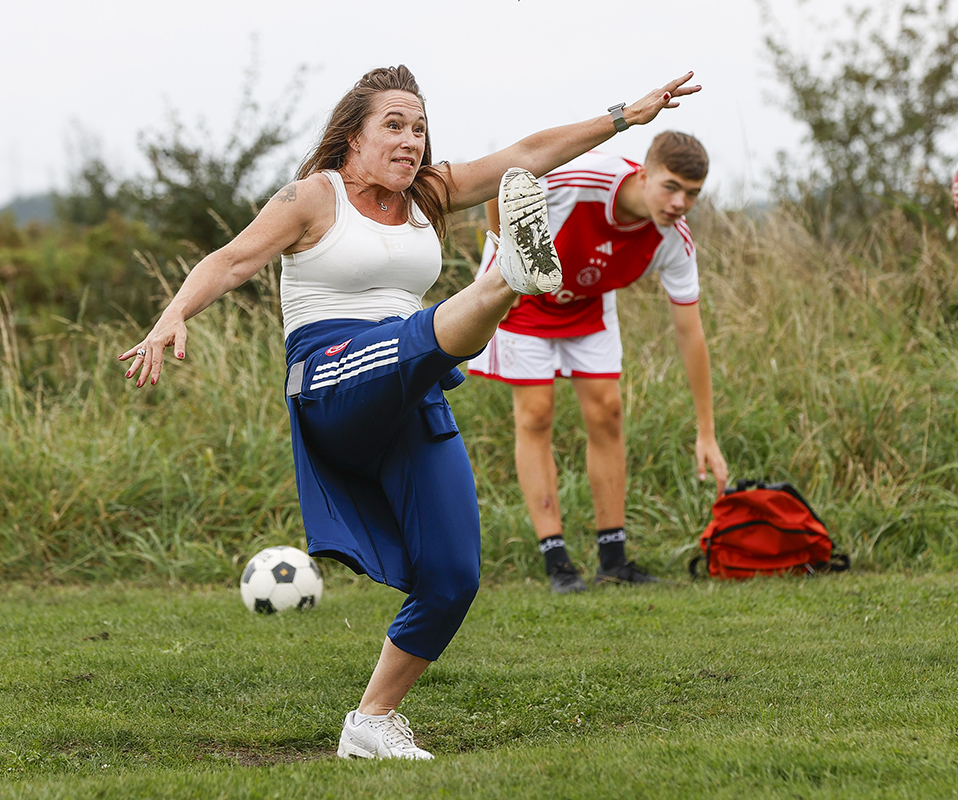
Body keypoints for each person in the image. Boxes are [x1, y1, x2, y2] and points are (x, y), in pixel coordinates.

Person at [119, 65, 700, 760]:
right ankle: (510, 278)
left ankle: (370, 722)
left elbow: (526, 157)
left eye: (419, 128)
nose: (410, 140)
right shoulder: (314, 196)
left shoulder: (431, 195)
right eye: (392, 126)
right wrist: (170, 316)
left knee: (454, 574)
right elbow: (232, 259)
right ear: (352, 137)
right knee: (417, 337)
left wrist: (624, 118)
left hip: (410, 383)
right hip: (331, 374)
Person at [468, 131, 729, 594]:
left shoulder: (674, 240)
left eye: (692, 194)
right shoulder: (581, 181)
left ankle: (614, 560)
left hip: (588, 301)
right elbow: (506, 184)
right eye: (671, 187)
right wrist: (511, 250)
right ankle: (558, 563)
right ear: (644, 174)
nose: (679, 203)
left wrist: (705, 432)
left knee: (607, 412)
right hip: (525, 296)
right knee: (536, 414)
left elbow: (691, 332)